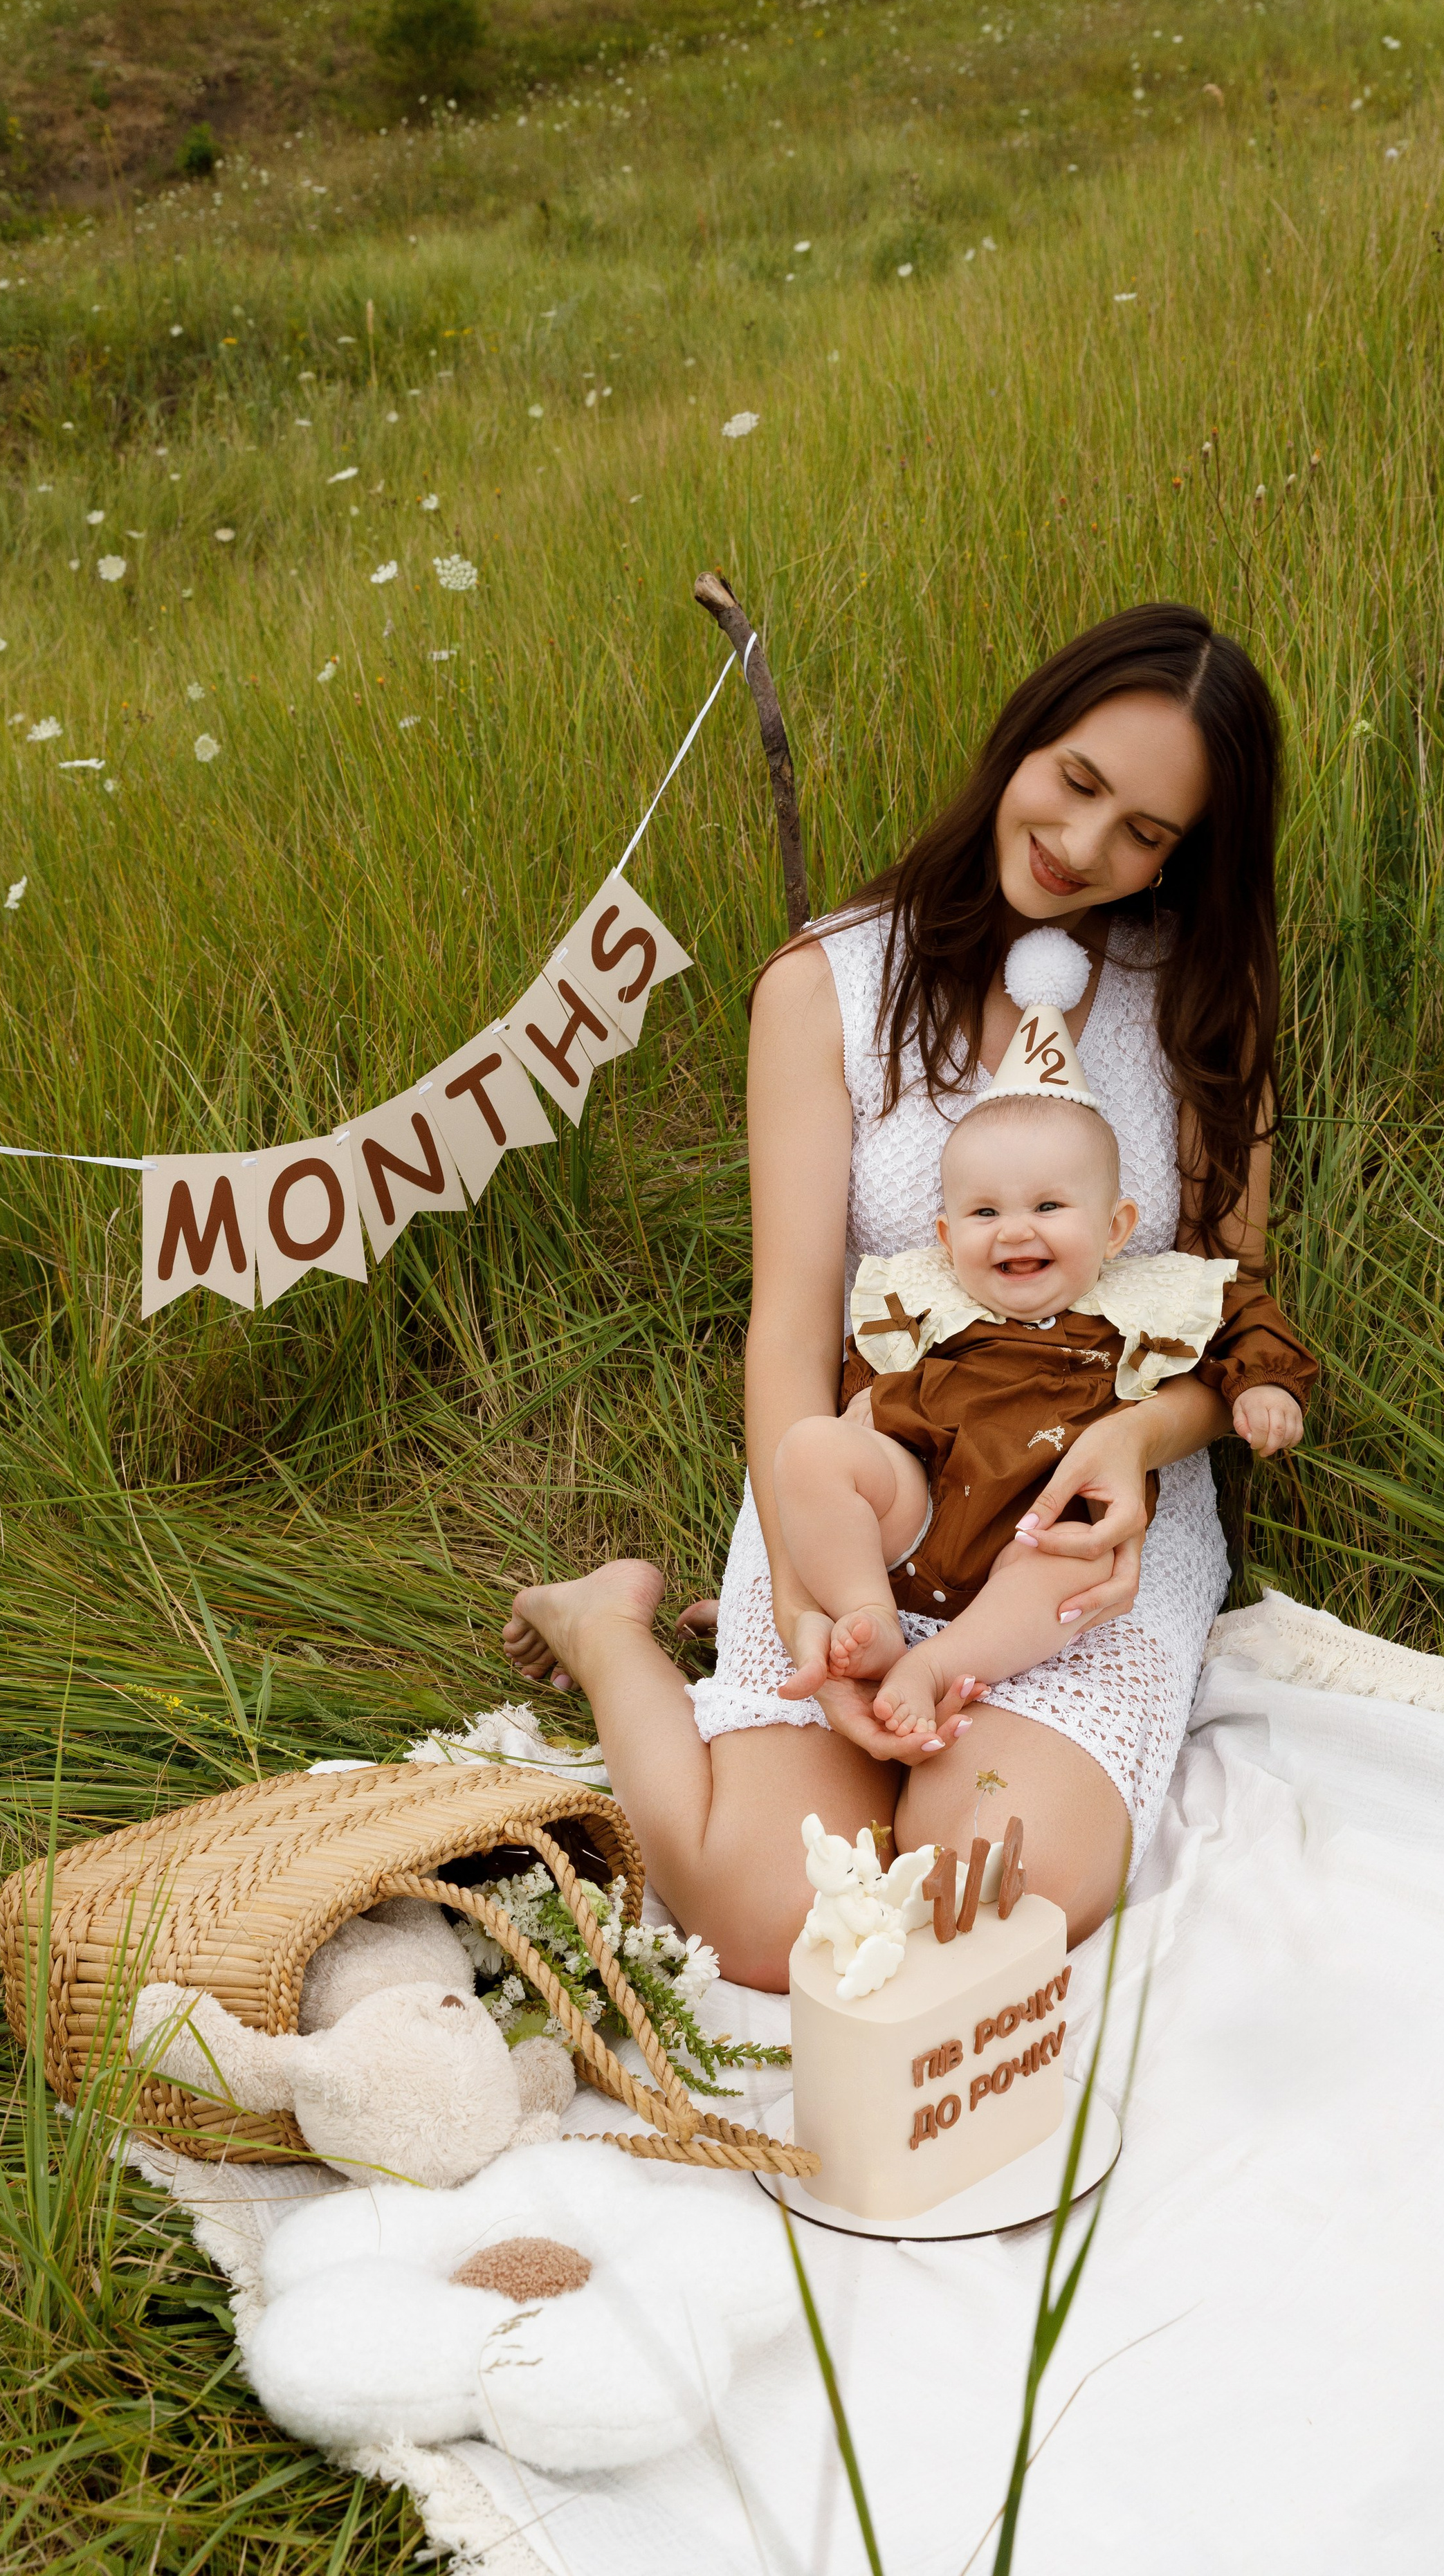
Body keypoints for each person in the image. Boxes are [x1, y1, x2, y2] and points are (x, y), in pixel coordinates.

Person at [504, 602, 1290, 1990]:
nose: (1083, 845)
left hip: (1073, 1534)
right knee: (770, 1921)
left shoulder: (1192, 998)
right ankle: (608, 1624)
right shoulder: (826, 985)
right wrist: (805, 1598)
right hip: (866, 1504)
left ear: (1183, 854)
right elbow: (791, 1328)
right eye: (1075, 780)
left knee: (984, 1896)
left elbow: (1231, 1312)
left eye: (1143, 833)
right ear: (1020, 742)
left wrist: (1138, 1440)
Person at [774, 1082, 1316, 1749]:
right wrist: (860, 1397)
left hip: (1040, 1523)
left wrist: (1264, 1386)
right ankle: (867, 1609)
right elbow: (872, 1348)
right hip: (921, 1500)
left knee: (1084, 1567)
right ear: (947, 1236)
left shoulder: (1150, 1296)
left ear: (1114, 1229)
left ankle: (936, 1665)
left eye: (1049, 1206)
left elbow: (1243, 1316)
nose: (1014, 1229)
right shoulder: (929, 1292)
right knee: (810, 1447)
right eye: (984, 1212)